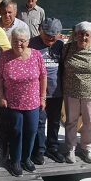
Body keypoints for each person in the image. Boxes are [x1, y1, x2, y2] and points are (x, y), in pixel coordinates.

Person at [0, 27, 47, 176]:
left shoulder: (36, 55)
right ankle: (15, 160)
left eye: (22, 41)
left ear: (28, 42)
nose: (19, 44)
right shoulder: (5, 57)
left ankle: (26, 158)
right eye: (15, 41)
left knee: (31, 131)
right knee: (16, 132)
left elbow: (43, 77)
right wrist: (1, 96)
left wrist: (43, 97)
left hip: (33, 102)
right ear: (11, 41)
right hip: (13, 103)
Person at [62, 21, 91, 164]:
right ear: (76, 35)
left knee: (90, 123)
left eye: (86, 35)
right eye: (80, 34)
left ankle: (87, 148)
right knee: (70, 122)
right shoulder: (68, 48)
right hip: (71, 92)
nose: (83, 37)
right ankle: (70, 149)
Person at [29, 18, 65, 164]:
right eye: (47, 34)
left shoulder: (61, 46)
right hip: (37, 92)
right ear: (41, 31)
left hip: (56, 91)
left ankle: (53, 147)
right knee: (40, 121)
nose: (50, 38)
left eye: (53, 35)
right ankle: (39, 149)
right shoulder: (32, 44)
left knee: (55, 121)